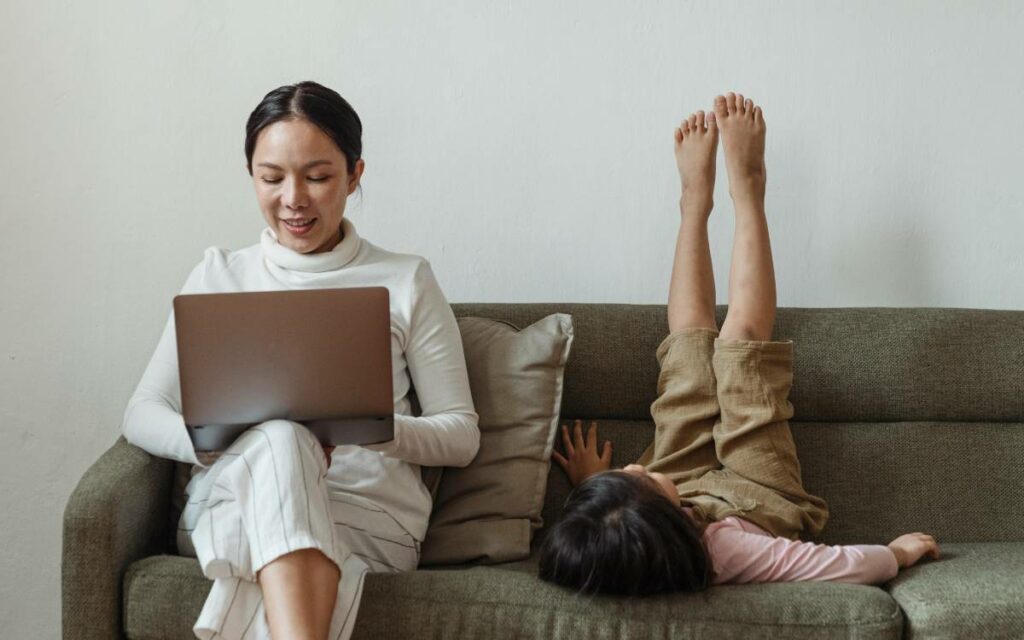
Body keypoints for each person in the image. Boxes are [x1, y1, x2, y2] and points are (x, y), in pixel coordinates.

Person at [540, 93, 940, 595]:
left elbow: (605, 544)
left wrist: (592, 490)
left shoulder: (633, 535)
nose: (634, 463)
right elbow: (837, 565)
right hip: (756, 495)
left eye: (626, 471)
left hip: (678, 487)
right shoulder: (730, 551)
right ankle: (749, 188)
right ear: (659, 520)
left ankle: (693, 203)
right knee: (740, 346)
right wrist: (895, 555)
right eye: (634, 477)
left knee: (688, 348)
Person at [122, 81, 479, 639]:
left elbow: (461, 435)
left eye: (317, 177)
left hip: (366, 515)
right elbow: (142, 411)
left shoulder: (407, 279)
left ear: (356, 174)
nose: (293, 198)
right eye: (271, 178)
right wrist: (210, 442)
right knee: (283, 439)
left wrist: (368, 429)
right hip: (232, 504)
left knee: (291, 441)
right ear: (251, 175)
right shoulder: (218, 275)